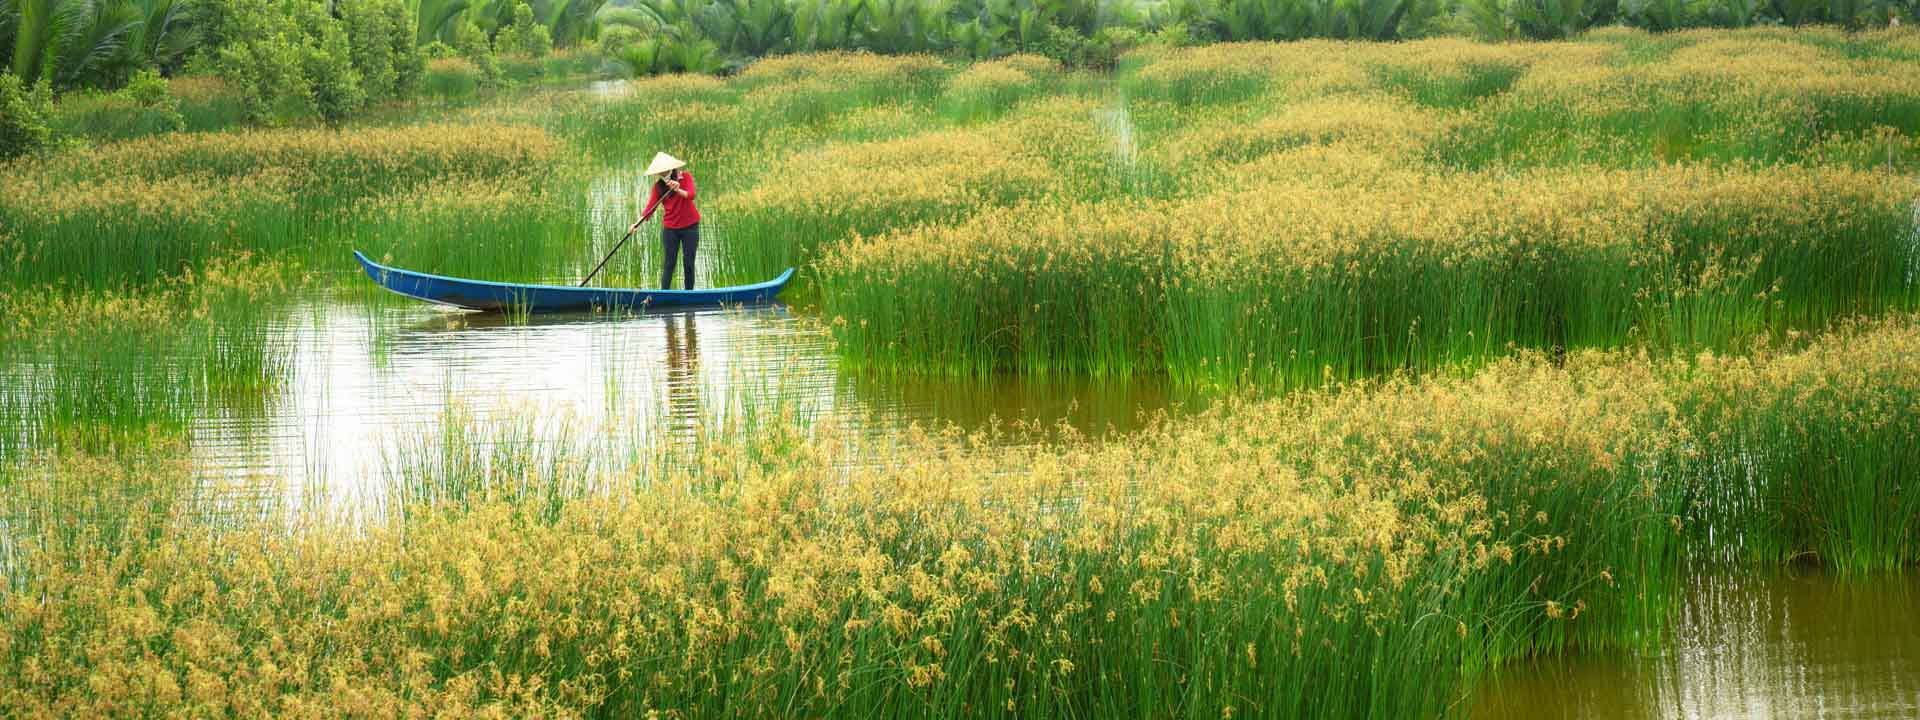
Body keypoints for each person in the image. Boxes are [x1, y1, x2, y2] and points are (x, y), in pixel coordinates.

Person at [630, 152, 702, 290]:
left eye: (663, 168)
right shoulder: (658, 187)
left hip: (690, 227)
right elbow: (650, 208)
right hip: (670, 229)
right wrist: (636, 224)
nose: (661, 172)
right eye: (659, 171)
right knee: (669, 263)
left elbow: (691, 195)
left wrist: (678, 188)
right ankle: (664, 294)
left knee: (688, 263)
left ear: (670, 167)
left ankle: (689, 295)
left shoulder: (685, 177)